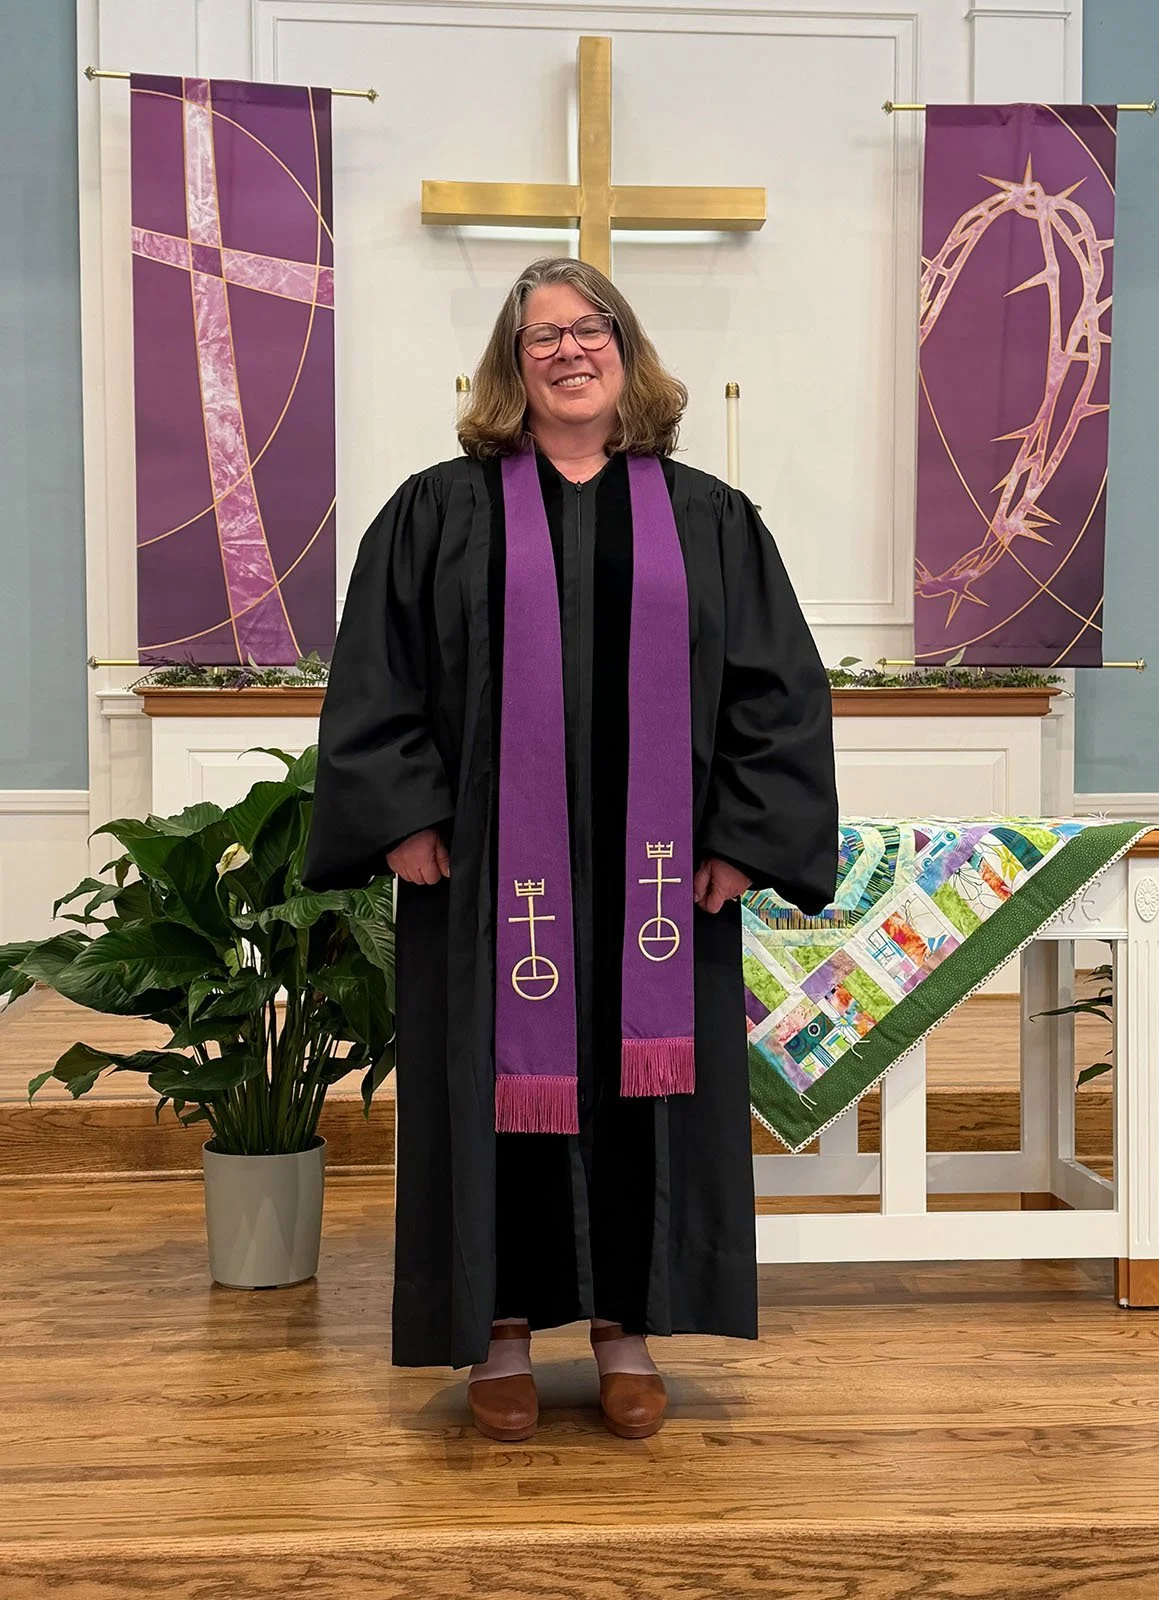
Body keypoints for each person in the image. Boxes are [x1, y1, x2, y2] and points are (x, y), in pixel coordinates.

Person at [302, 256, 838, 1442]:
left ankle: (626, 1331)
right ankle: (498, 1330)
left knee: (642, 1092)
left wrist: (743, 838)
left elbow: (778, 690)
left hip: (662, 883)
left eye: (588, 330)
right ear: (511, 363)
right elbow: (376, 673)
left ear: (625, 349)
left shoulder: (705, 517)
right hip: (495, 875)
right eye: (540, 336)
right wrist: (403, 815)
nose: (567, 352)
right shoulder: (439, 510)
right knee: (495, 1089)